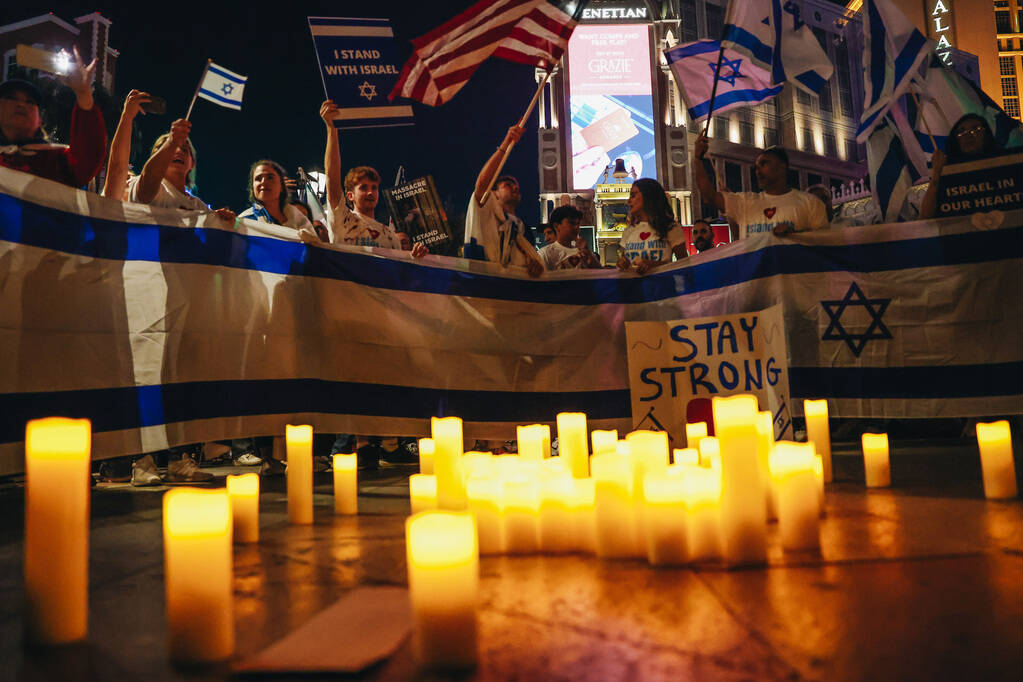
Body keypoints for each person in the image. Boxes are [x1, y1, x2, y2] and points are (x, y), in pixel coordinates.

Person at [320, 99, 427, 257]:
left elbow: (399, 275)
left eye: (374, 187)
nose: (370, 192)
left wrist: (417, 258)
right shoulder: (343, 219)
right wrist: (331, 129)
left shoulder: (390, 237)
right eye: (363, 188)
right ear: (350, 195)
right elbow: (332, 176)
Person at [0, 48, 107, 188]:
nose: (21, 104)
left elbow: (90, 155)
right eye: (11, 98)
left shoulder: (59, 160)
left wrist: (83, 93)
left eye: (30, 102)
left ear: (40, 120)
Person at [694, 132, 827, 239]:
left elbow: (827, 246)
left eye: (764, 164)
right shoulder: (744, 203)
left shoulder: (811, 204)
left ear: (782, 167)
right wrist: (698, 159)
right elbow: (709, 196)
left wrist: (797, 237)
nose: (757, 171)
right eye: (756, 167)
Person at [464, 125, 544, 278]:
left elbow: (533, 266)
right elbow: (482, 184)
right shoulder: (486, 212)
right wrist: (507, 142)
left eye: (516, 186)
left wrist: (535, 268)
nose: (514, 187)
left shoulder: (523, 230)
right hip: (486, 288)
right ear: (494, 194)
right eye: (507, 185)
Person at [919, 115, 1010, 220]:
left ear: (987, 135)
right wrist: (937, 172)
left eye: (976, 129)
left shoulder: (1004, 166)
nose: (968, 135)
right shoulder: (947, 172)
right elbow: (925, 217)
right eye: (961, 132)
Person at [615, 178, 688, 275]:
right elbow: (625, 261)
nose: (628, 202)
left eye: (633, 195)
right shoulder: (629, 230)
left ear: (648, 196)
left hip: (661, 287)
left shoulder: (670, 227)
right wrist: (623, 264)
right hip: (634, 289)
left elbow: (685, 265)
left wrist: (654, 265)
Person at [238, 159, 314, 233]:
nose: (263, 182)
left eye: (270, 177)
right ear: (253, 187)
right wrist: (228, 223)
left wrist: (312, 241)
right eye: (258, 178)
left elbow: (316, 243)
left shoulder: (300, 220)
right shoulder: (244, 219)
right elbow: (234, 229)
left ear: (281, 186)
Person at [103, 89, 150, 199]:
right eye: (126, 178)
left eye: (131, 180)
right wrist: (127, 115)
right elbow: (118, 169)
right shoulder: (110, 203)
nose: (125, 181)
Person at [538, 205, 601, 270]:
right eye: (572, 223)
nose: (576, 227)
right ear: (556, 226)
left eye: (578, 223)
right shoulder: (545, 254)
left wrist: (588, 253)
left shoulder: (584, 252)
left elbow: (600, 274)